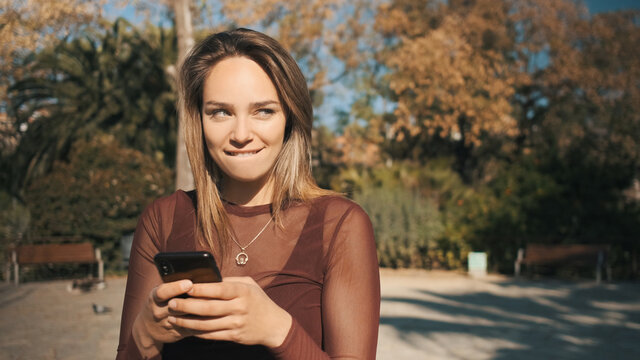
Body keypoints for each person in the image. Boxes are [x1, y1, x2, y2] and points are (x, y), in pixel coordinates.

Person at [116, 28, 380, 360]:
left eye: (263, 111)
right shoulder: (163, 218)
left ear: (289, 117)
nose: (241, 134)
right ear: (199, 120)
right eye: (220, 112)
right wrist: (145, 334)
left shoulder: (339, 224)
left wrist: (279, 331)